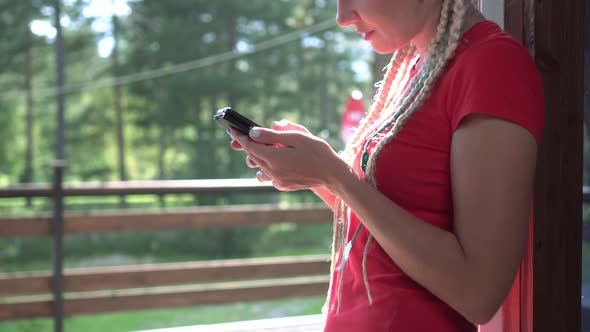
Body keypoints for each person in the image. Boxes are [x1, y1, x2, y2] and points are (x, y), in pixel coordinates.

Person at [227, 0, 544, 330]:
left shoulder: (493, 65)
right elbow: (389, 221)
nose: (342, 18)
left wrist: (336, 177)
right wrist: (316, 173)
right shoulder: (414, 62)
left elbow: (479, 292)